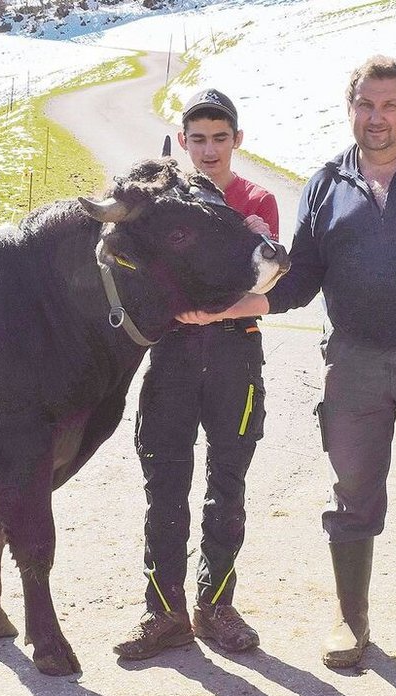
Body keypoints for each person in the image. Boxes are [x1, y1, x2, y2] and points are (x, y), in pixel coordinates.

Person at [179, 56, 396, 676]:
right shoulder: (327, 182)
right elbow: (300, 279)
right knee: (354, 493)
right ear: (349, 108)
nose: (377, 117)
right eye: (365, 104)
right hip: (354, 361)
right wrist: (224, 309)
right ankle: (350, 620)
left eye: (389, 105)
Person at [114, 88, 281, 660]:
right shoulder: (166, 200)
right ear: (182, 142)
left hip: (237, 357)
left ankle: (217, 606)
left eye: (220, 138)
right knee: (164, 486)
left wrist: (217, 302)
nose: (209, 150)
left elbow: (269, 289)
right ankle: (163, 612)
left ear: (238, 140)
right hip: (173, 357)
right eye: (198, 139)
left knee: (226, 486)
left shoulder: (258, 199)